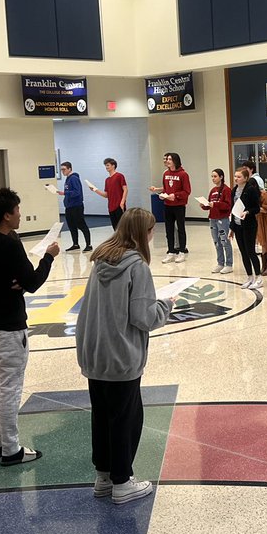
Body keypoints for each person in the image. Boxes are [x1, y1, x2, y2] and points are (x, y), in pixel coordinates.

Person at [75, 207, 175, 504]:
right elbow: (144, 317)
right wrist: (166, 305)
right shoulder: (136, 266)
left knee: (102, 415)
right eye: (151, 230)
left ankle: (103, 476)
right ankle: (122, 481)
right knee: (126, 418)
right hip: (121, 353)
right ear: (142, 233)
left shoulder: (101, 260)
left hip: (95, 352)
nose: (152, 235)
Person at [0, 187, 59, 466]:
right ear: (7, 215)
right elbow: (32, 282)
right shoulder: (8, 244)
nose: (20, 214)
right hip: (9, 329)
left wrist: (16, 284)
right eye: (17, 210)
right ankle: (11, 449)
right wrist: (48, 257)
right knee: (10, 389)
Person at [150, 152, 191, 263]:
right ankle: (171, 251)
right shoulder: (165, 174)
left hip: (179, 206)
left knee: (180, 228)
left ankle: (182, 251)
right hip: (168, 205)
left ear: (175, 161)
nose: (167, 161)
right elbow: (166, 189)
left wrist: (176, 195)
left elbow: (187, 191)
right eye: (167, 159)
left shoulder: (183, 174)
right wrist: (163, 195)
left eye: (170, 159)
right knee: (169, 229)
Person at [230, 167, 263, 288]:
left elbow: (257, 208)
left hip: (249, 225)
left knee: (250, 251)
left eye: (239, 177)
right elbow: (233, 209)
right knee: (243, 252)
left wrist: (247, 212)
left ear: (245, 178)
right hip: (238, 225)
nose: (236, 179)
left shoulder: (251, 190)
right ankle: (249, 276)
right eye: (235, 176)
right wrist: (232, 228)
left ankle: (259, 277)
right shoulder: (234, 191)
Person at [201, 168, 233, 274]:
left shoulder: (226, 190)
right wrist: (204, 205)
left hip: (223, 219)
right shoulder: (213, 190)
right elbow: (210, 205)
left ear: (221, 177)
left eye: (215, 176)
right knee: (217, 242)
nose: (213, 178)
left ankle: (229, 264)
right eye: (212, 176)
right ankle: (220, 263)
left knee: (225, 241)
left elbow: (228, 206)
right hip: (213, 219)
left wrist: (215, 204)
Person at [60, 162, 93, 252]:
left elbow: (77, 192)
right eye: (61, 169)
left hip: (76, 206)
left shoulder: (74, 178)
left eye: (64, 169)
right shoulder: (67, 179)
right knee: (71, 226)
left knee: (81, 225)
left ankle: (89, 245)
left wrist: (65, 193)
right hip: (69, 206)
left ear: (69, 169)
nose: (62, 171)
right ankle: (75, 244)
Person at [91, 158, 128, 230]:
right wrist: (95, 190)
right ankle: (118, 241)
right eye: (105, 165)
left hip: (119, 206)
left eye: (108, 165)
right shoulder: (107, 180)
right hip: (111, 207)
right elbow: (106, 195)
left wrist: (122, 202)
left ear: (113, 166)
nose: (106, 167)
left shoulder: (119, 176)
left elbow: (125, 189)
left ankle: (126, 241)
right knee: (115, 228)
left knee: (123, 228)